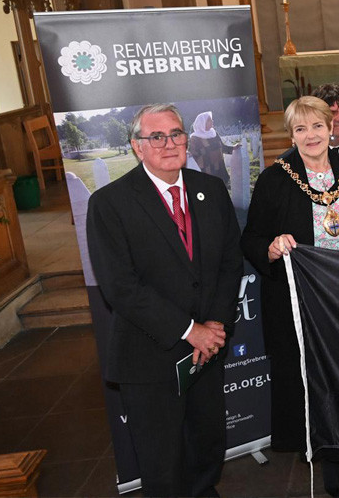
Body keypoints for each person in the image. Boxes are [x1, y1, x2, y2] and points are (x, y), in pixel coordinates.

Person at [87, 103, 243, 496]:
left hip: (207, 352)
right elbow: (120, 287)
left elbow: (229, 262)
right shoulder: (109, 204)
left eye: (176, 133)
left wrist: (217, 327)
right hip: (151, 356)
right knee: (163, 463)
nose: (169, 143)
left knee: (207, 448)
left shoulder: (209, 189)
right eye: (156, 136)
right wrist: (191, 331)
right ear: (137, 147)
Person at [241, 96, 339, 497]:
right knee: (315, 379)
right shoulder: (276, 179)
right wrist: (271, 247)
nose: (311, 136)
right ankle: (326, 454)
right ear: (291, 135)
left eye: (317, 126)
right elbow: (251, 239)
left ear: (332, 128)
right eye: (300, 129)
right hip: (300, 302)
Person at [188, 111, 239, 187]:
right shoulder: (195, 139)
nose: (212, 121)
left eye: (211, 119)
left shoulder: (214, 133)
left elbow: (222, 147)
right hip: (207, 171)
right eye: (209, 120)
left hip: (219, 168)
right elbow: (193, 154)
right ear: (202, 123)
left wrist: (233, 148)